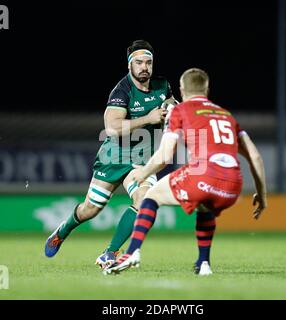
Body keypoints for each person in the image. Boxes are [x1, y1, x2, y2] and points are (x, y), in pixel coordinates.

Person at [105, 67, 268, 276]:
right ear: (207, 89)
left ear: (181, 89)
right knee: (204, 207)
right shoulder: (226, 115)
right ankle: (203, 263)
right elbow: (255, 157)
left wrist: (144, 173)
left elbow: (165, 156)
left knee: (151, 196)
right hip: (233, 185)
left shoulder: (180, 110)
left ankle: (132, 252)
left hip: (203, 176)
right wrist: (262, 196)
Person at [45, 40, 176, 269]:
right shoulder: (122, 90)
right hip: (114, 157)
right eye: (139, 62)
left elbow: (171, 102)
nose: (144, 67)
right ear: (129, 66)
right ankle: (62, 231)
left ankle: (110, 253)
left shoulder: (162, 85)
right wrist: (149, 118)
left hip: (142, 160)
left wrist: (174, 107)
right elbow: (112, 127)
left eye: (148, 62)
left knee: (144, 201)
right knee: (90, 209)